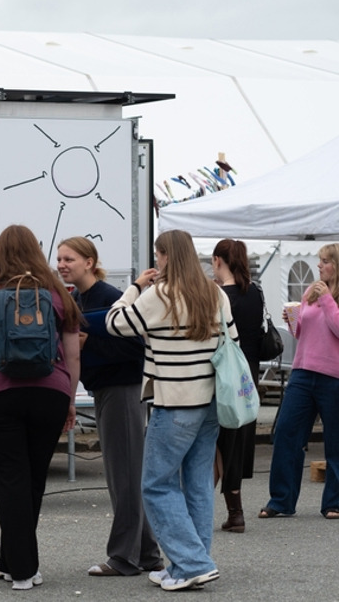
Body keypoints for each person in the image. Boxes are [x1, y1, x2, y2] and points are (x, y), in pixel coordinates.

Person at [0, 224, 81, 591]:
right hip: (51, 393)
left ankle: (22, 570)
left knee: (10, 478)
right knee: (34, 478)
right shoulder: (58, 294)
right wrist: (69, 400)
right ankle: (12, 559)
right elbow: (72, 355)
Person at [106, 229, 231, 591]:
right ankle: (187, 564)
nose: (156, 262)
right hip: (209, 403)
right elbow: (232, 343)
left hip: (174, 402)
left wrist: (134, 287)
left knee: (156, 485)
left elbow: (116, 323)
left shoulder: (159, 295)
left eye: (158, 256)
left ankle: (191, 563)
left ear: (163, 257)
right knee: (197, 484)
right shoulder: (215, 293)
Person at [56, 236, 162, 576]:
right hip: (105, 390)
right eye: (59, 259)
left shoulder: (109, 298)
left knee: (125, 475)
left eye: (69, 259)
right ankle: (146, 554)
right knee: (122, 473)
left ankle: (123, 558)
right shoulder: (79, 298)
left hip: (121, 389)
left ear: (89, 262)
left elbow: (134, 352)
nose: (62, 265)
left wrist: (90, 344)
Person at [261, 243, 339, 520]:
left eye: (326, 261)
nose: (320, 265)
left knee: (335, 441)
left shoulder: (328, 295)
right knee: (285, 433)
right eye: (320, 260)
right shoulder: (311, 292)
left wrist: (328, 299)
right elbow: (304, 334)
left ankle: (334, 502)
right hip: (303, 372)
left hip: (334, 377)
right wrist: (293, 321)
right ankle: (281, 500)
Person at [211, 239, 262, 533]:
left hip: (225, 374)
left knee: (218, 443)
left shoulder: (219, 295)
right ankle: (234, 512)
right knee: (237, 442)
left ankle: (228, 510)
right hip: (249, 375)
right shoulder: (255, 292)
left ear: (218, 260)